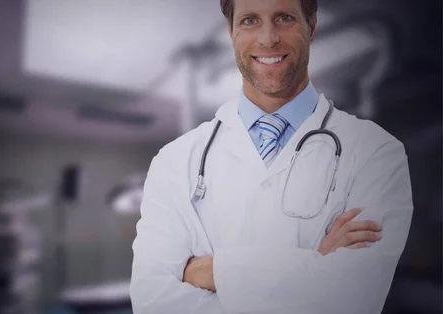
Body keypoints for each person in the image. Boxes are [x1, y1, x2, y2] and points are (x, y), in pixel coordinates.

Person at [129, 0, 414, 313]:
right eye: (250, 20)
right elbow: (152, 301)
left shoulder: (376, 153)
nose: (268, 38)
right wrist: (314, 266)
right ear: (231, 31)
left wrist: (211, 271)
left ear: (312, 27)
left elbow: (354, 298)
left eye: (284, 18)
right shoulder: (174, 161)